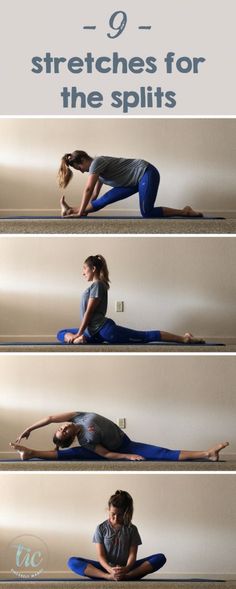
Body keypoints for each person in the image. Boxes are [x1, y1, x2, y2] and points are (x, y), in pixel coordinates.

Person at [56, 254, 204, 345]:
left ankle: (184, 339)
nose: (82, 272)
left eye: (84, 268)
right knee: (60, 332)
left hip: (105, 331)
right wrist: (77, 335)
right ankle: (77, 340)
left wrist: (78, 333)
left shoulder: (97, 285)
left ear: (93, 269)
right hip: (92, 332)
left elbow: (88, 313)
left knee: (144, 337)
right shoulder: (94, 286)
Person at [10, 411, 229, 462]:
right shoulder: (86, 440)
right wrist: (127, 457)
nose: (63, 427)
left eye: (61, 428)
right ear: (68, 436)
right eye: (63, 432)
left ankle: (208, 453)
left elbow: (49, 418)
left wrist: (29, 428)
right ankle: (208, 454)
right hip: (123, 448)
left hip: (126, 441)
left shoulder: (78, 416)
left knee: (162, 450)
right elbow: (106, 454)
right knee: (162, 455)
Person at [58, 150, 203, 219]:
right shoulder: (99, 173)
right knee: (104, 200)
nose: (82, 172)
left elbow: (88, 189)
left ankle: (185, 211)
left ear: (83, 160)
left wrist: (81, 213)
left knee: (147, 213)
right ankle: (69, 210)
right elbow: (95, 196)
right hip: (132, 182)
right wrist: (81, 212)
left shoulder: (97, 163)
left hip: (146, 173)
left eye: (79, 168)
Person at [67, 489, 167, 580]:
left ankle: (127, 577)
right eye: (112, 514)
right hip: (105, 569)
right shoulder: (101, 528)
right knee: (72, 562)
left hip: (128, 569)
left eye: (120, 515)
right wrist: (111, 571)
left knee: (160, 558)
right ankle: (108, 577)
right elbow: (100, 556)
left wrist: (126, 569)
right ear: (108, 510)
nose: (115, 518)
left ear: (126, 513)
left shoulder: (132, 529)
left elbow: (133, 554)